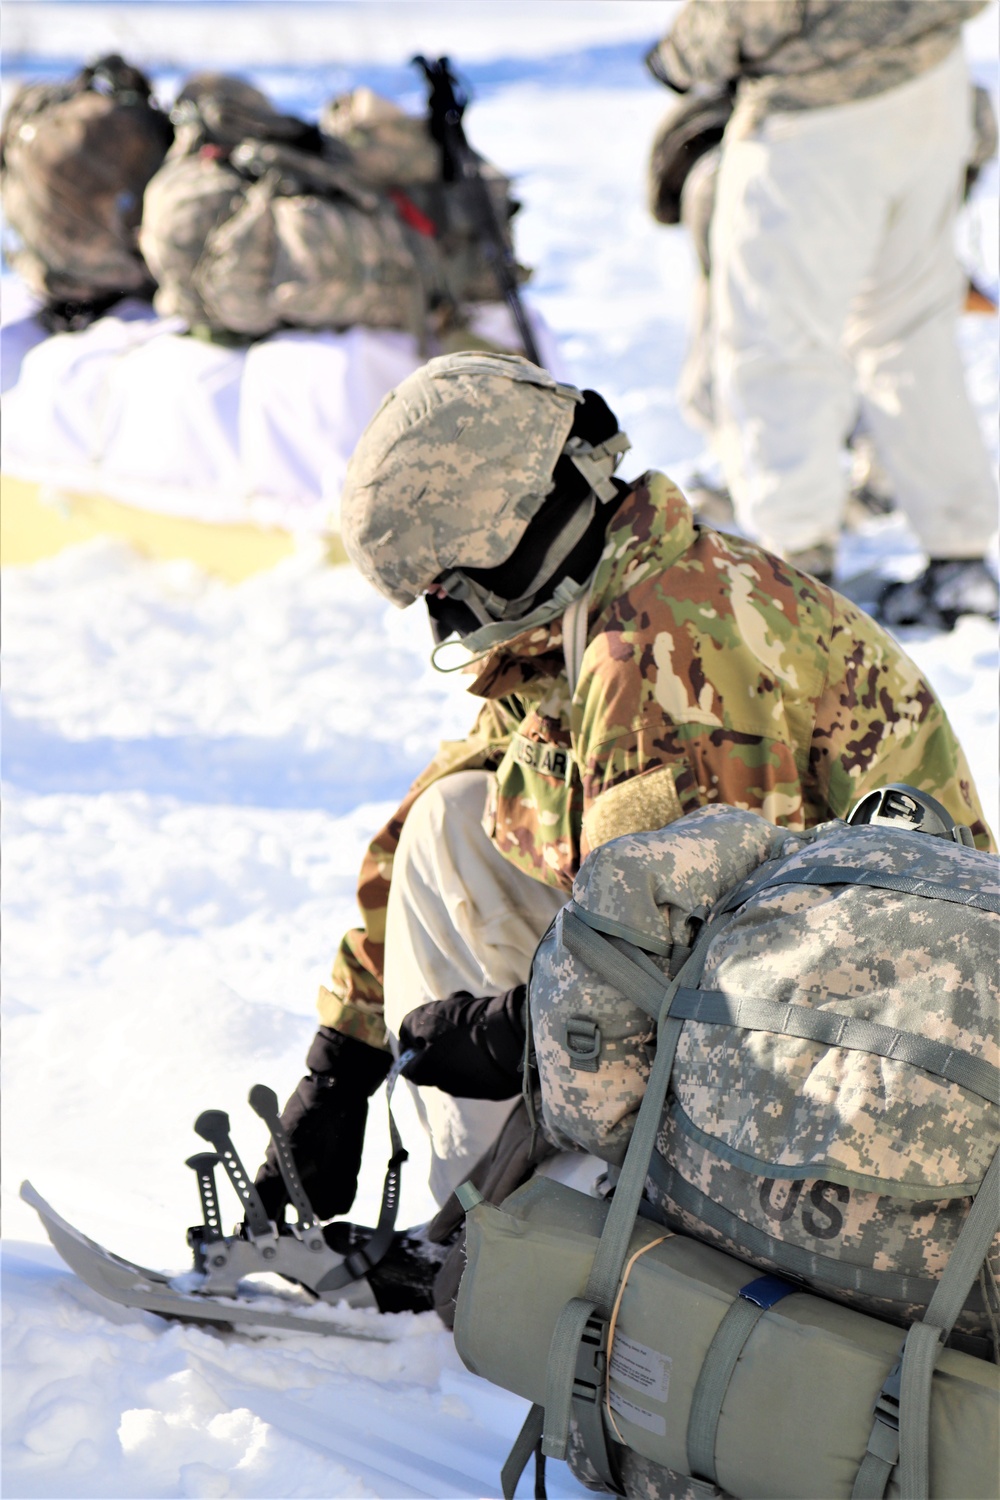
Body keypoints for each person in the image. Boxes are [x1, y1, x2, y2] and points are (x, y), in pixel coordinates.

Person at [252, 351, 992, 1309]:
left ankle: (528, 1265)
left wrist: (517, 1029)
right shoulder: (598, 594)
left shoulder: (671, 646)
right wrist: (343, 1058)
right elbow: (460, 791)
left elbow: (711, 969)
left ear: (500, 543)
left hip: (880, 1060)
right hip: (785, 993)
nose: (448, 613)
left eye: (448, 584)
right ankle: (487, 1231)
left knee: (604, 1009)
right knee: (456, 823)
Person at [647, 0, 999, 627]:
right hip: (930, 80)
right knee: (910, 331)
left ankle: (799, 573)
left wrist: (682, 52)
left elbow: (742, 17)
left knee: (777, 342)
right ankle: (959, 561)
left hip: (814, 114)